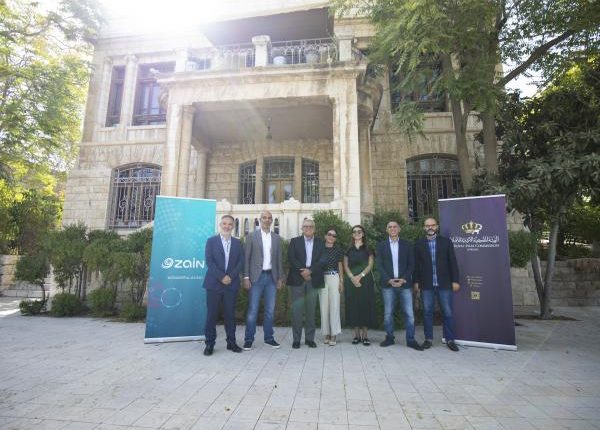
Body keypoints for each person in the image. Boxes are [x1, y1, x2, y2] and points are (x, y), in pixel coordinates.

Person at [414, 217, 461, 352]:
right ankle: (428, 339)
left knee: (447, 312)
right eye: (427, 225)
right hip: (426, 284)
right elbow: (416, 265)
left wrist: (455, 280)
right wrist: (416, 282)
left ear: (437, 227)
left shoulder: (446, 242)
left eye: (432, 225)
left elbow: (452, 262)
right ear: (424, 228)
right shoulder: (419, 244)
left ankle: (450, 340)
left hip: (445, 283)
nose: (430, 228)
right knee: (427, 312)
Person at [376, 220, 423, 351]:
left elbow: (411, 264)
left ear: (399, 229)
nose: (392, 229)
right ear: (387, 230)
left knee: (409, 314)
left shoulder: (407, 245)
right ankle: (389, 338)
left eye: (395, 226)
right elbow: (379, 265)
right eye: (390, 227)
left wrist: (404, 279)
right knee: (388, 314)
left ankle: (411, 340)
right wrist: (388, 280)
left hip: (405, 285)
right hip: (388, 285)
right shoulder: (381, 245)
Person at [242, 210, 285, 350]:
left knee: (270, 311)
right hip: (256, 278)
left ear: (271, 221)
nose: (267, 220)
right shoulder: (251, 236)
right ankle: (249, 339)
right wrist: (246, 277)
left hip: (271, 277)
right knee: (253, 310)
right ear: (260, 220)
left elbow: (279, 260)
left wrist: (280, 278)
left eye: (269, 218)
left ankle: (269, 338)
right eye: (264, 218)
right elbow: (246, 258)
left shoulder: (277, 238)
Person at [202, 214, 244, 356]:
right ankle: (209, 344)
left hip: (231, 284)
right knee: (211, 315)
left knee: (230, 315)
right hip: (214, 283)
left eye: (230, 224)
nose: (227, 226)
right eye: (224, 223)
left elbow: (240, 262)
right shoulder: (211, 241)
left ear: (233, 226)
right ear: (220, 225)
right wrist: (221, 277)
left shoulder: (238, 243)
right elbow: (209, 262)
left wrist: (230, 277)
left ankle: (231, 342)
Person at [287, 218, 326, 349]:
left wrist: (310, 271)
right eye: (306, 226)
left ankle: (310, 339)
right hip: (297, 279)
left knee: (311, 311)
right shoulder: (294, 241)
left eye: (310, 226)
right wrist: (303, 271)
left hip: (313, 279)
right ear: (302, 228)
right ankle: (296, 339)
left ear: (314, 229)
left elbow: (322, 260)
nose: (308, 228)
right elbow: (291, 258)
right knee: (297, 311)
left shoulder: (320, 242)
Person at [344, 224, 377, 346]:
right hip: (351, 282)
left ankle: (365, 336)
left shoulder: (368, 249)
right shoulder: (348, 250)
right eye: (354, 232)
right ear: (352, 235)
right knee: (353, 307)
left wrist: (360, 276)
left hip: (365, 281)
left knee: (365, 307)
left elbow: (370, 265)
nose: (356, 233)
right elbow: (345, 265)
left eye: (359, 231)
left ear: (363, 234)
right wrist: (352, 277)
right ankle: (357, 336)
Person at [318, 227, 344, 346]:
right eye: (329, 234)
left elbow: (340, 266)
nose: (331, 237)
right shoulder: (319, 249)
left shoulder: (338, 250)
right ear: (325, 236)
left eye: (334, 236)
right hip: (322, 278)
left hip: (334, 278)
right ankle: (326, 333)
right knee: (324, 307)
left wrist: (341, 281)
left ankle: (334, 334)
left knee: (335, 306)